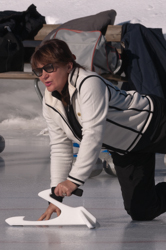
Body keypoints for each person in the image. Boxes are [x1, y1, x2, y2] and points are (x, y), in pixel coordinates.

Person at [31, 38, 166, 221]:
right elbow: (60, 147)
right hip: (128, 149)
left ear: (68, 65)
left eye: (49, 68)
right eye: (38, 71)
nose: (43, 75)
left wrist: (74, 180)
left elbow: (92, 135)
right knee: (142, 210)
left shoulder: (89, 83)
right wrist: (56, 197)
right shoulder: (50, 101)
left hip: (156, 123)